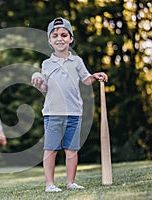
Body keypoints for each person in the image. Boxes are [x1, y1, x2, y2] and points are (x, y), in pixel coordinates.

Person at [31, 17, 108, 192]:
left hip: (74, 112)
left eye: (64, 35)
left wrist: (96, 76)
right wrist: (38, 83)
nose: (60, 38)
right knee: (51, 149)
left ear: (70, 39)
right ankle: (50, 184)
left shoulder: (77, 61)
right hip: (53, 113)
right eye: (55, 35)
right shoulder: (47, 63)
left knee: (71, 149)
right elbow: (45, 87)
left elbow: (86, 80)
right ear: (50, 41)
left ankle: (70, 182)